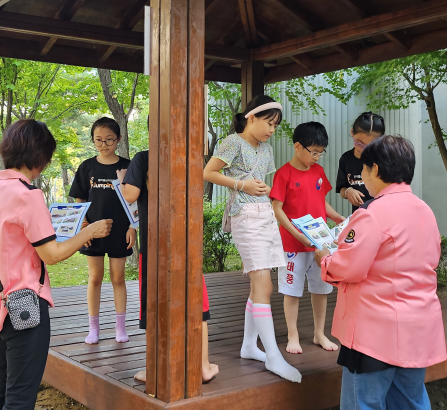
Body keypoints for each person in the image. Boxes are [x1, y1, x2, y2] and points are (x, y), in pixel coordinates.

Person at [0, 119, 112, 410]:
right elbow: (52, 254)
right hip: (25, 307)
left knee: (0, 388)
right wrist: (89, 231)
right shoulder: (28, 195)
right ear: (39, 156)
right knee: (21, 397)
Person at [315, 136, 446, 410]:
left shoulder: (372, 213)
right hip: (418, 327)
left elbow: (349, 267)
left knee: (363, 403)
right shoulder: (426, 211)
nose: (362, 177)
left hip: (373, 333)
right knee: (410, 401)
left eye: (363, 170)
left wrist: (326, 259)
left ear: (375, 169)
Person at [203, 95, 301, 384]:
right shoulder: (233, 142)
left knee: (261, 283)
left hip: (265, 215)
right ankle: (272, 355)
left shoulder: (267, 149)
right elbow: (207, 172)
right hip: (244, 215)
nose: (272, 130)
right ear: (251, 118)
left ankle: (249, 346)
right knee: (264, 283)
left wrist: (260, 187)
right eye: (268, 123)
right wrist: (242, 184)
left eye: (275, 125)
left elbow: (260, 180)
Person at [118, 150, 219, 383]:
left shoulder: (144, 158)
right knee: (196, 304)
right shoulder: (189, 155)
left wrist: (124, 182)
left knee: (153, 306)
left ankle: (155, 368)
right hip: (187, 243)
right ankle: (203, 365)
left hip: (154, 246)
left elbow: (131, 195)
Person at [269, 122, 344, 355]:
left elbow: (321, 201)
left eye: (321, 152)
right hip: (293, 244)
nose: (317, 157)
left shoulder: (318, 172)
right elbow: (277, 209)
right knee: (291, 290)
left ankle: (319, 333)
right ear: (297, 146)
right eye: (313, 152)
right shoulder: (284, 174)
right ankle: (293, 335)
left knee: (321, 289)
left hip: (320, 244)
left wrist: (338, 218)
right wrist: (297, 235)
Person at [69, 117, 136, 344]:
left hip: (120, 231)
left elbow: (135, 202)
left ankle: (120, 327)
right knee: (95, 277)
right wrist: (85, 228)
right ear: (93, 141)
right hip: (93, 231)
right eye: (98, 140)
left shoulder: (128, 167)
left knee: (118, 277)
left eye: (109, 139)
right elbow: (80, 199)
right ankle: (93, 328)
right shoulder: (86, 167)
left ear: (118, 139)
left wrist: (132, 228)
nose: (103, 144)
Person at [336, 112, 385, 213]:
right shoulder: (346, 159)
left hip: (382, 214)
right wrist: (348, 191)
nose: (363, 149)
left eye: (370, 145)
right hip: (360, 215)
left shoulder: (384, 158)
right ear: (352, 133)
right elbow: (342, 188)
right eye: (359, 142)